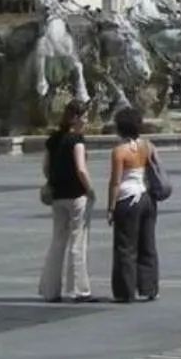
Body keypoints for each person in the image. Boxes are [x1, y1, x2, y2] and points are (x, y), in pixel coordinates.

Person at [38, 101, 95, 302]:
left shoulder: (53, 139)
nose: (86, 121)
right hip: (76, 195)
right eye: (85, 117)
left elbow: (45, 167)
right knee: (77, 241)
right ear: (76, 118)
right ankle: (78, 289)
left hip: (57, 195)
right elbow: (81, 168)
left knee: (57, 240)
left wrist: (52, 181)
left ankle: (50, 290)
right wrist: (90, 189)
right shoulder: (76, 140)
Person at [105, 109, 159, 303]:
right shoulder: (147, 146)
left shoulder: (119, 151)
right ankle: (149, 287)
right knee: (147, 244)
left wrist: (111, 207)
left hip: (127, 199)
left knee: (125, 247)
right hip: (146, 197)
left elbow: (115, 182)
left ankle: (125, 291)